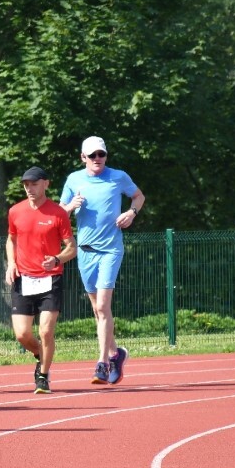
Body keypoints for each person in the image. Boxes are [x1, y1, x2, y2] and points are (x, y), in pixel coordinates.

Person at [60, 135, 145, 385]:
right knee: (98, 309)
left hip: (110, 249)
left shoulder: (118, 176)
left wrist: (131, 212)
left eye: (101, 155)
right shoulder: (74, 180)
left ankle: (102, 363)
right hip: (85, 250)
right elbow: (58, 211)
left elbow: (138, 196)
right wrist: (69, 207)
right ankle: (116, 353)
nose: (98, 159)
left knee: (102, 306)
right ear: (83, 158)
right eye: (92, 155)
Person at [6, 166, 77, 393]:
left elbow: (72, 248)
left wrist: (57, 259)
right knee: (22, 334)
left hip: (50, 279)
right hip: (24, 278)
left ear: (45, 184)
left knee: (46, 331)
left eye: (34, 184)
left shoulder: (58, 213)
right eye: (26, 185)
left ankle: (43, 376)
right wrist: (12, 263)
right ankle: (40, 354)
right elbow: (11, 239)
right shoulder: (15, 211)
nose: (30, 188)